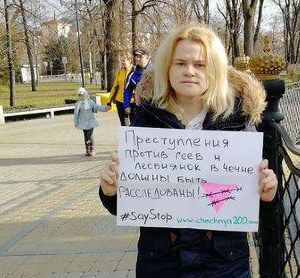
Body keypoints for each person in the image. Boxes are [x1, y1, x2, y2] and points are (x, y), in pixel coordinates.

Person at [98, 24, 277, 277]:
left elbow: (254, 203)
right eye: (180, 63)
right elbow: (125, 201)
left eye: (200, 65)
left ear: (214, 69)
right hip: (162, 261)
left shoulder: (237, 121)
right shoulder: (148, 120)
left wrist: (267, 194)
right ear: (167, 68)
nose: (189, 72)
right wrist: (110, 191)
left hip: (224, 262)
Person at [74, 87, 109, 156]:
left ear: (85, 94)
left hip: (90, 122)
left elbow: (97, 107)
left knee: (89, 135)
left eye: (82, 95)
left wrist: (105, 108)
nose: (81, 97)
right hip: (83, 123)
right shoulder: (78, 104)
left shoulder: (89, 102)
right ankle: (87, 149)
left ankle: (92, 149)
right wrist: (76, 122)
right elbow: (76, 114)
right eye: (79, 95)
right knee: (86, 136)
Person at [123, 49, 151, 123]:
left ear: (147, 57)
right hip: (139, 108)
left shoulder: (156, 70)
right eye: (136, 57)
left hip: (155, 108)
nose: (137, 59)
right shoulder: (133, 74)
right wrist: (127, 105)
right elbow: (127, 90)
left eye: (140, 57)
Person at [109, 52, 133, 126]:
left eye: (124, 60)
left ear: (130, 60)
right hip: (120, 101)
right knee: (124, 124)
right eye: (121, 60)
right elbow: (115, 87)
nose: (122, 62)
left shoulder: (134, 71)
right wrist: (109, 101)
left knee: (134, 123)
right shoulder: (120, 71)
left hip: (132, 102)